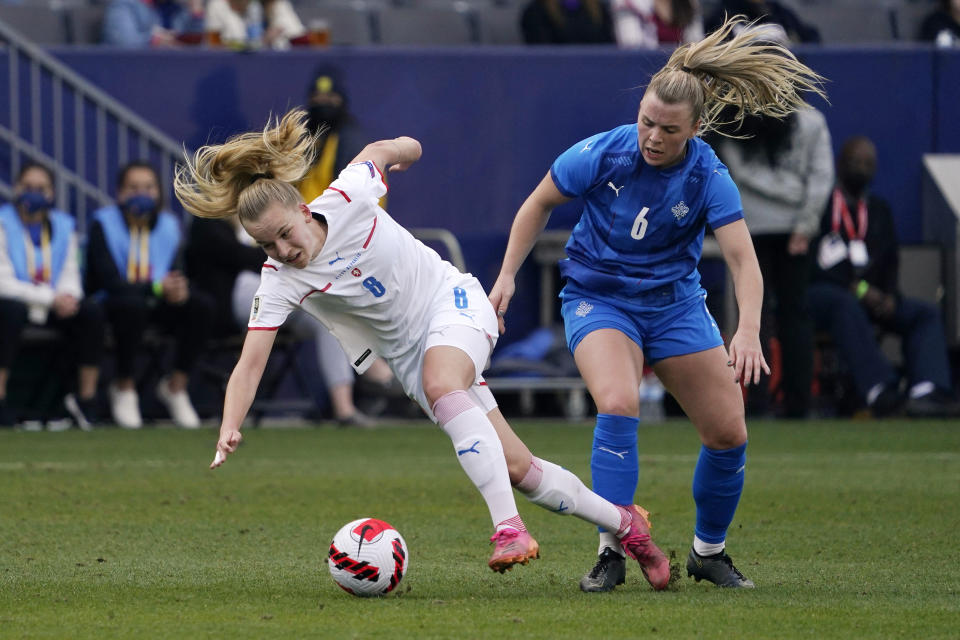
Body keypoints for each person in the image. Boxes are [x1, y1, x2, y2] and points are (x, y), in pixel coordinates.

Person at [173, 110, 671, 586]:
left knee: (442, 382)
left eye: (284, 234)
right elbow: (250, 363)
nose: (282, 251)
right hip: (414, 359)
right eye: (266, 246)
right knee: (518, 467)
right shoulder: (279, 278)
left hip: (452, 304)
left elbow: (379, 151)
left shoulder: (348, 196)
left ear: (305, 211)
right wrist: (230, 424)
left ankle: (509, 529)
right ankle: (628, 525)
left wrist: (405, 150)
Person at [489, 16, 825, 590]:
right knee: (618, 403)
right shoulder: (603, 152)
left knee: (728, 433)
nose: (652, 137)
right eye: (647, 121)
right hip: (600, 299)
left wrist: (747, 331)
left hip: (674, 305)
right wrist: (507, 277)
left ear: (695, 128)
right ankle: (612, 551)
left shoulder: (709, 176)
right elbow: (537, 204)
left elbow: (744, 261)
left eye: (669, 129)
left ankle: (708, 552)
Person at [808, 136, 960, 418]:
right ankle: (881, 390)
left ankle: (927, 391)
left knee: (924, 314)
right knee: (844, 303)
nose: (861, 169)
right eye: (855, 162)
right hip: (826, 294)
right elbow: (814, 262)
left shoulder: (879, 210)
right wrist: (859, 289)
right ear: (840, 165)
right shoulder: (822, 206)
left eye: (868, 164)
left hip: (875, 295)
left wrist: (890, 294)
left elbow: (891, 261)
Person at [185, 215, 388, 426]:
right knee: (314, 291)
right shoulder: (207, 222)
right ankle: (376, 370)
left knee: (326, 319)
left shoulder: (256, 215)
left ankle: (344, 409)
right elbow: (242, 257)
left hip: (277, 299)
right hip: (231, 305)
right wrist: (283, 256)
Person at [710, 103, 833, 418]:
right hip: (758, 228)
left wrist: (803, 221)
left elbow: (822, 177)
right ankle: (767, 401)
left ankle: (787, 402)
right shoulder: (735, 118)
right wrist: (801, 211)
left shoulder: (808, 121)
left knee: (782, 314)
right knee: (764, 316)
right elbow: (817, 180)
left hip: (765, 227)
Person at [85, 161, 214, 429]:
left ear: (158, 193)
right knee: (130, 305)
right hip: (114, 304)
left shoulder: (169, 225)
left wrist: (178, 288)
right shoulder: (102, 224)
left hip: (157, 304)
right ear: (120, 193)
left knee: (201, 305)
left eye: (148, 187)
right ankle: (124, 386)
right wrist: (156, 288)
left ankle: (176, 387)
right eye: (133, 188)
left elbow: (177, 270)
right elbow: (109, 281)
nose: (141, 194)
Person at [0, 163, 105, 429]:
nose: (34, 193)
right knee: (10, 311)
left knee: (90, 312)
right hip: (17, 305)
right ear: (16, 189)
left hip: (54, 306)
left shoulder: (63, 226)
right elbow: (3, 281)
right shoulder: (2, 221)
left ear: (51, 194)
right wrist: (49, 299)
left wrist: (67, 298)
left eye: (41, 188)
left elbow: (71, 273)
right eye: (28, 187)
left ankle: (84, 400)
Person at [705, 0, 820, 43]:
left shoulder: (779, 12)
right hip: (739, 82)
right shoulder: (722, 14)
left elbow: (811, 38)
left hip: (780, 81)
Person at [102, 0, 205, 47]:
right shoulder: (124, 5)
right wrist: (155, 41)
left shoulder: (173, 8)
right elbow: (124, 44)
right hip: (126, 75)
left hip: (165, 73)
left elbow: (195, 43)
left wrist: (195, 10)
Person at [611, 0, 704, 49]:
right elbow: (631, 45)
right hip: (643, 70)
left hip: (682, 72)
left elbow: (696, 44)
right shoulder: (628, 3)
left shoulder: (690, 3)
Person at [521, 0, 615, 45]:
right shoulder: (535, 12)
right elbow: (541, 52)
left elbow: (607, 46)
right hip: (555, 73)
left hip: (595, 72)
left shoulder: (599, 10)